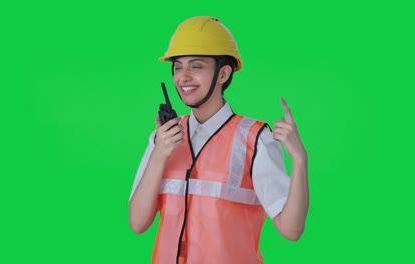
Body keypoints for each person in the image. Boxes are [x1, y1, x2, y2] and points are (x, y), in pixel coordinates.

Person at [128, 16, 309, 264]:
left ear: (223, 73)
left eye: (196, 66)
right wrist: (160, 154)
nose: (183, 77)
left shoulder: (255, 140)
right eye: (178, 66)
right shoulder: (164, 138)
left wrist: (300, 160)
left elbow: (291, 230)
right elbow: (137, 223)